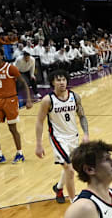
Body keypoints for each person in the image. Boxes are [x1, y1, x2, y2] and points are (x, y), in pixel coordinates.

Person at [35, 70, 89, 203]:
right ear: (53, 82)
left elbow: (82, 116)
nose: (61, 82)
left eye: (63, 79)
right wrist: (38, 144)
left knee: (70, 167)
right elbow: (39, 122)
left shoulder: (75, 97)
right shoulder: (48, 100)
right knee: (70, 170)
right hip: (58, 139)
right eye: (58, 80)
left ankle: (58, 188)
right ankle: (73, 201)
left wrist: (86, 134)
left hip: (73, 137)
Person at [0, 47, 33, 166]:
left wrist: (28, 100)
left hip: (10, 100)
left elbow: (24, 83)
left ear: (2, 56)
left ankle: (19, 153)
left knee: (12, 128)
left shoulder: (10, 68)